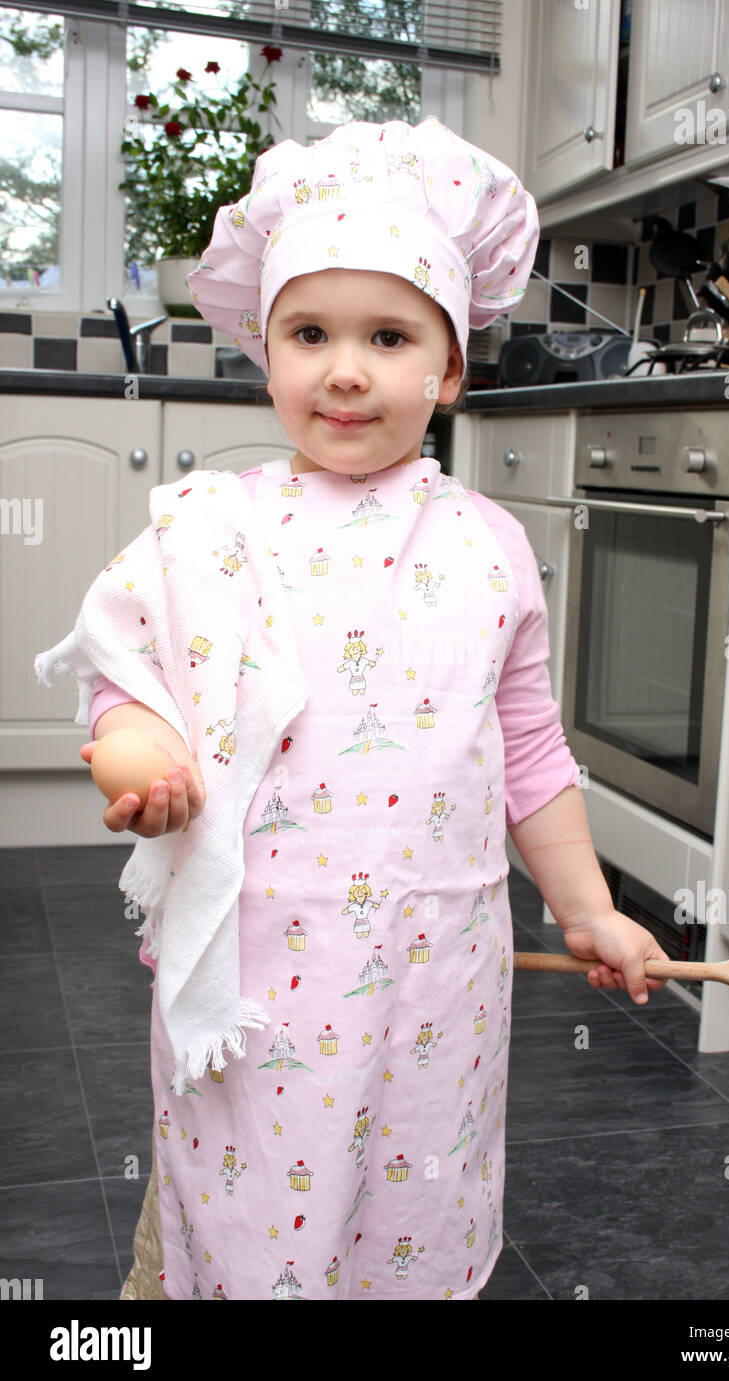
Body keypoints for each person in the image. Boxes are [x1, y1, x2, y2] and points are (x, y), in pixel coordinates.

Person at [36, 116, 669, 1301]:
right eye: (310, 334)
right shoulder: (210, 528)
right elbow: (127, 682)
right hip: (262, 975)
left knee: (409, 1198)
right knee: (240, 1206)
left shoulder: (490, 548)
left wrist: (586, 909)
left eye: (387, 337)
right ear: (264, 351)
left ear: (448, 371)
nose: (344, 369)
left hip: (437, 973)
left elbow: (527, 750)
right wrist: (143, 760)